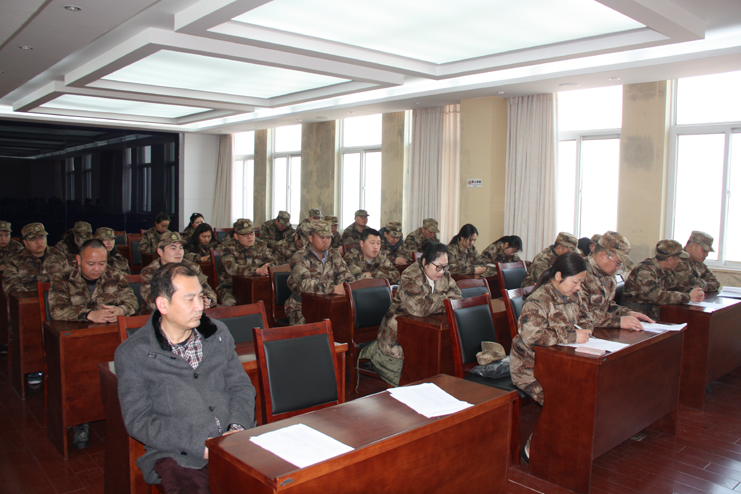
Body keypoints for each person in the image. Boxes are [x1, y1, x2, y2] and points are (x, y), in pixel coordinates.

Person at [114, 263, 256, 492]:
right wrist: (200, 444)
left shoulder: (217, 334)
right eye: (189, 299)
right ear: (163, 304)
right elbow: (139, 420)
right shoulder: (133, 353)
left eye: (200, 296)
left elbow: (241, 387)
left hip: (233, 441)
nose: (200, 306)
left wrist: (237, 429)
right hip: (179, 455)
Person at [48, 239, 139, 450]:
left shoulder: (115, 275)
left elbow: (132, 301)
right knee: (80, 373)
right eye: (91, 264)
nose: (97, 268)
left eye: (101, 263)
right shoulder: (62, 277)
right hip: (76, 344)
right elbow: (57, 309)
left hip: (109, 340)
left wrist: (121, 310)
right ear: (78, 260)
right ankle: (80, 421)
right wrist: (88, 314)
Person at [510, 252, 594, 464]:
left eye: (581, 282)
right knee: (563, 402)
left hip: (562, 363)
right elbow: (531, 337)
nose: (578, 287)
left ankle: (570, 443)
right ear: (559, 276)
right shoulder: (538, 301)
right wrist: (571, 335)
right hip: (530, 368)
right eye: (576, 282)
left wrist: (585, 330)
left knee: (589, 393)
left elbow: (586, 319)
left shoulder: (573, 295)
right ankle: (533, 448)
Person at [362, 241, 461, 386]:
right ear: (425, 262)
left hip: (426, 330)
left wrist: (432, 303)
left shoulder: (445, 275)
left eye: (445, 267)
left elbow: (457, 299)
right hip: (398, 332)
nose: (442, 272)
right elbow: (419, 309)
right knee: (408, 378)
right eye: (438, 267)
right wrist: (443, 299)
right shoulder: (410, 276)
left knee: (440, 357)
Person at [3, 222, 70, 385]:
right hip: (28, 311)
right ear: (25, 242)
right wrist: (35, 301)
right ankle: (35, 367)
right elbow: (11, 287)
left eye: (42, 237)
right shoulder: (14, 260)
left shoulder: (58, 255)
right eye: (33, 239)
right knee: (32, 325)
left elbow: (70, 280)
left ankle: (64, 366)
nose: (39, 241)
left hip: (58, 306)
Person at [285, 220, 354, 325]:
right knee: (309, 331)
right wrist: (333, 289)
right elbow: (304, 284)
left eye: (328, 237)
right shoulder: (299, 257)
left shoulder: (334, 255)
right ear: (310, 238)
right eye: (322, 237)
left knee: (345, 325)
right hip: (301, 305)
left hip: (330, 304)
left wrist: (344, 286)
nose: (326, 241)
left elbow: (347, 277)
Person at [581, 231, 653, 330]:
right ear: (602, 256)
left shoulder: (609, 276)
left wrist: (627, 313)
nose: (618, 267)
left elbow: (607, 306)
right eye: (618, 262)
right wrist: (617, 321)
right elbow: (580, 315)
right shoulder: (578, 274)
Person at [621, 239, 705, 320]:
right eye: (679, 258)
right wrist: (688, 297)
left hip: (653, 313)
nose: (680, 261)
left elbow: (676, 286)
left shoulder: (666, 270)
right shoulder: (645, 271)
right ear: (670, 260)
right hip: (637, 316)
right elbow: (657, 296)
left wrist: (694, 293)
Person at [139, 233, 217, 311]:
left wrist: (208, 300)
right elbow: (153, 299)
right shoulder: (149, 272)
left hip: (191, 312)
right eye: (173, 248)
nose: (179, 252)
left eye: (181, 248)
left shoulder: (192, 268)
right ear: (160, 251)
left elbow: (208, 290)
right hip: (157, 314)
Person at [217, 219, 276, 307]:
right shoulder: (228, 247)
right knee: (230, 303)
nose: (249, 237)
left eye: (251, 233)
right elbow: (232, 268)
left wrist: (267, 267)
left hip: (257, 285)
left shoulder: (261, 245)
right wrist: (256, 270)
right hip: (231, 286)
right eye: (245, 234)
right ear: (236, 236)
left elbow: (274, 262)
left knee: (270, 300)